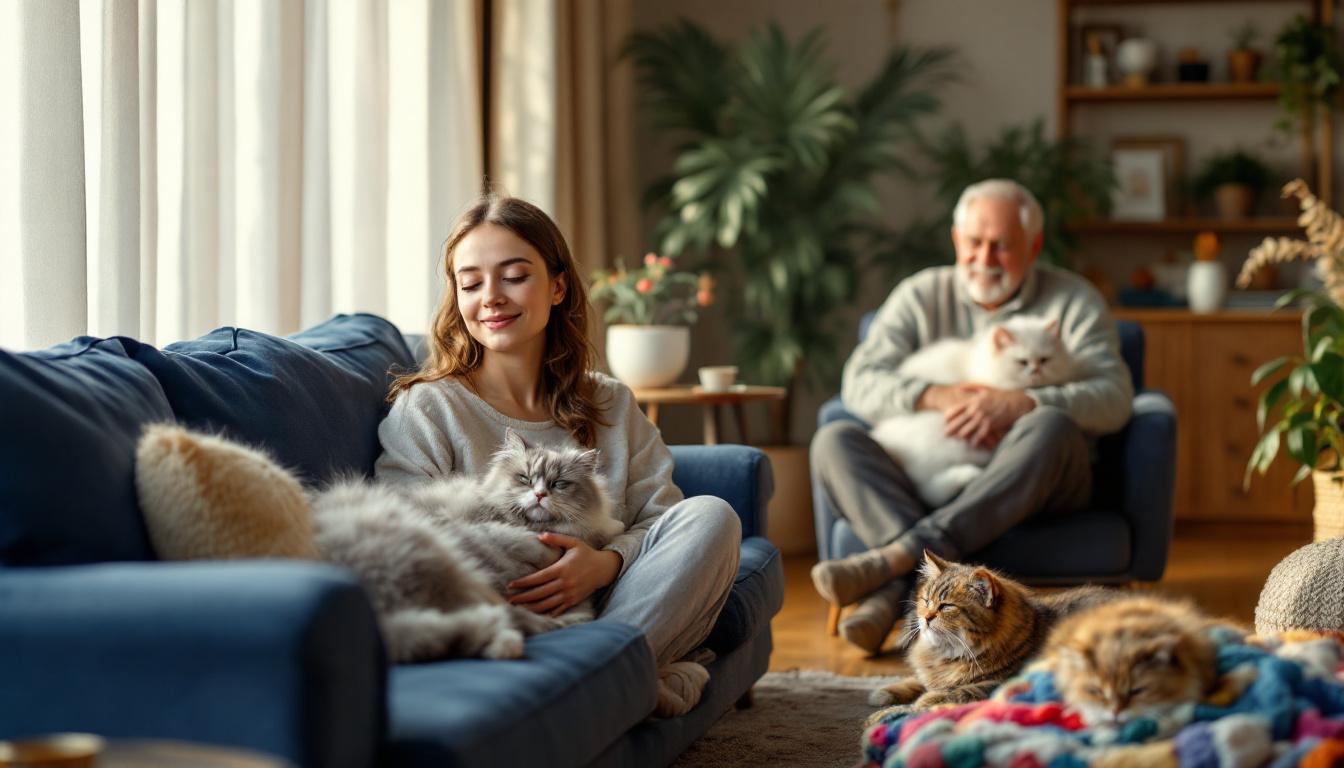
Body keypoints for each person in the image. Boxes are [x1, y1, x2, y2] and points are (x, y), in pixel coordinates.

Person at [374, 193, 741, 717]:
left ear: (558, 285)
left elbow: (662, 517)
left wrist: (604, 564)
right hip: (502, 611)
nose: (491, 297)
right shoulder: (429, 407)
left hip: (618, 604)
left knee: (713, 516)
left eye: (514, 276)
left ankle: (597, 673)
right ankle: (630, 675)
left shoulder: (611, 401)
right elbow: (405, 539)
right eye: (471, 282)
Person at [809, 179, 1133, 653]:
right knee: (833, 440)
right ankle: (898, 587)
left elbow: (1115, 397)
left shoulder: (1073, 301)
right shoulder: (919, 295)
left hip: (1036, 481)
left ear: (1034, 245)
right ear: (957, 241)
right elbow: (858, 382)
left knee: (1050, 424)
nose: (985, 257)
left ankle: (891, 568)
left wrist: (1024, 402)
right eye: (975, 243)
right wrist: (936, 395)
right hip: (927, 473)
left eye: (1001, 246)